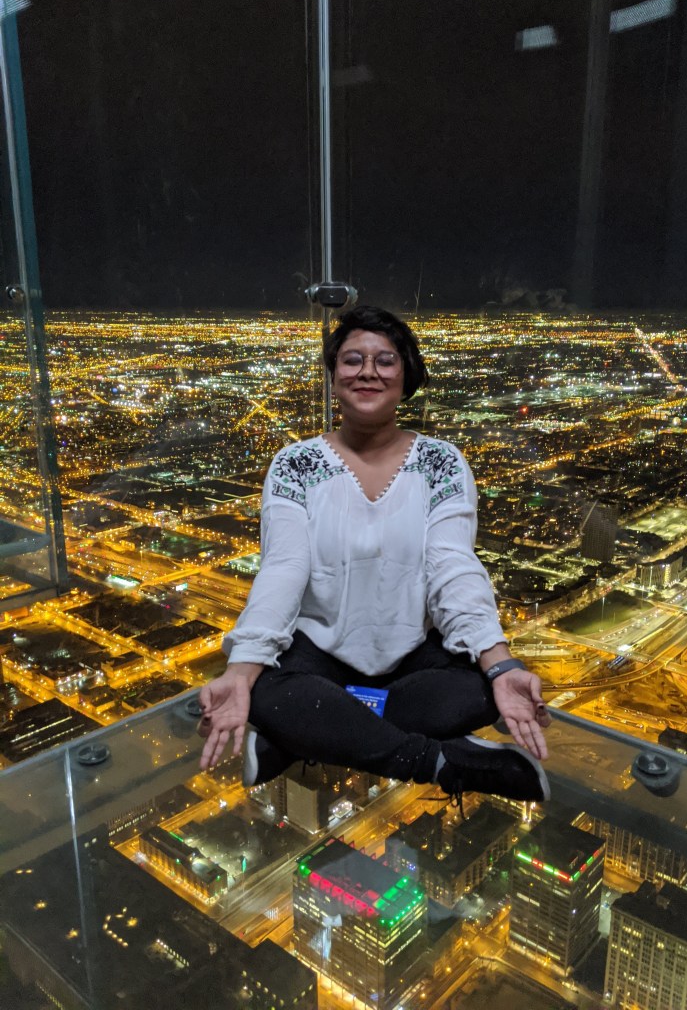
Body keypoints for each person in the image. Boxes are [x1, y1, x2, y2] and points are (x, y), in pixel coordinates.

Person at [199, 305, 552, 806]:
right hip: (319, 654)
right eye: (352, 360)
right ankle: (442, 763)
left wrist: (499, 665)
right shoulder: (296, 464)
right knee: (260, 689)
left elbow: (452, 565)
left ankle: (305, 736)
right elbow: (284, 569)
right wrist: (241, 671)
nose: (368, 371)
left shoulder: (441, 462)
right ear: (333, 376)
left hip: (414, 653)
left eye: (385, 360)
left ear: (406, 376)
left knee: (478, 692)